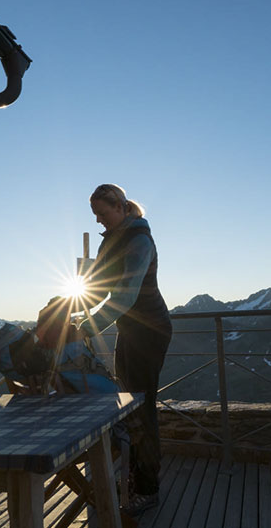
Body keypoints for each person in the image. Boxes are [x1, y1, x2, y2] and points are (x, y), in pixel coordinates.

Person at [70, 183, 172, 516]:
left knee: (142, 409)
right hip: (129, 330)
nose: (99, 221)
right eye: (95, 215)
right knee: (129, 407)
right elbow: (99, 289)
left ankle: (148, 489)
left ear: (121, 207)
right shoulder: (112, 241)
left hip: (149, 332)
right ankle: (135, 477)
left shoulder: (140, 241)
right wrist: (73, 311)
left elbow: (124, 296)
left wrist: (86, 326)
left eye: (102, 213)